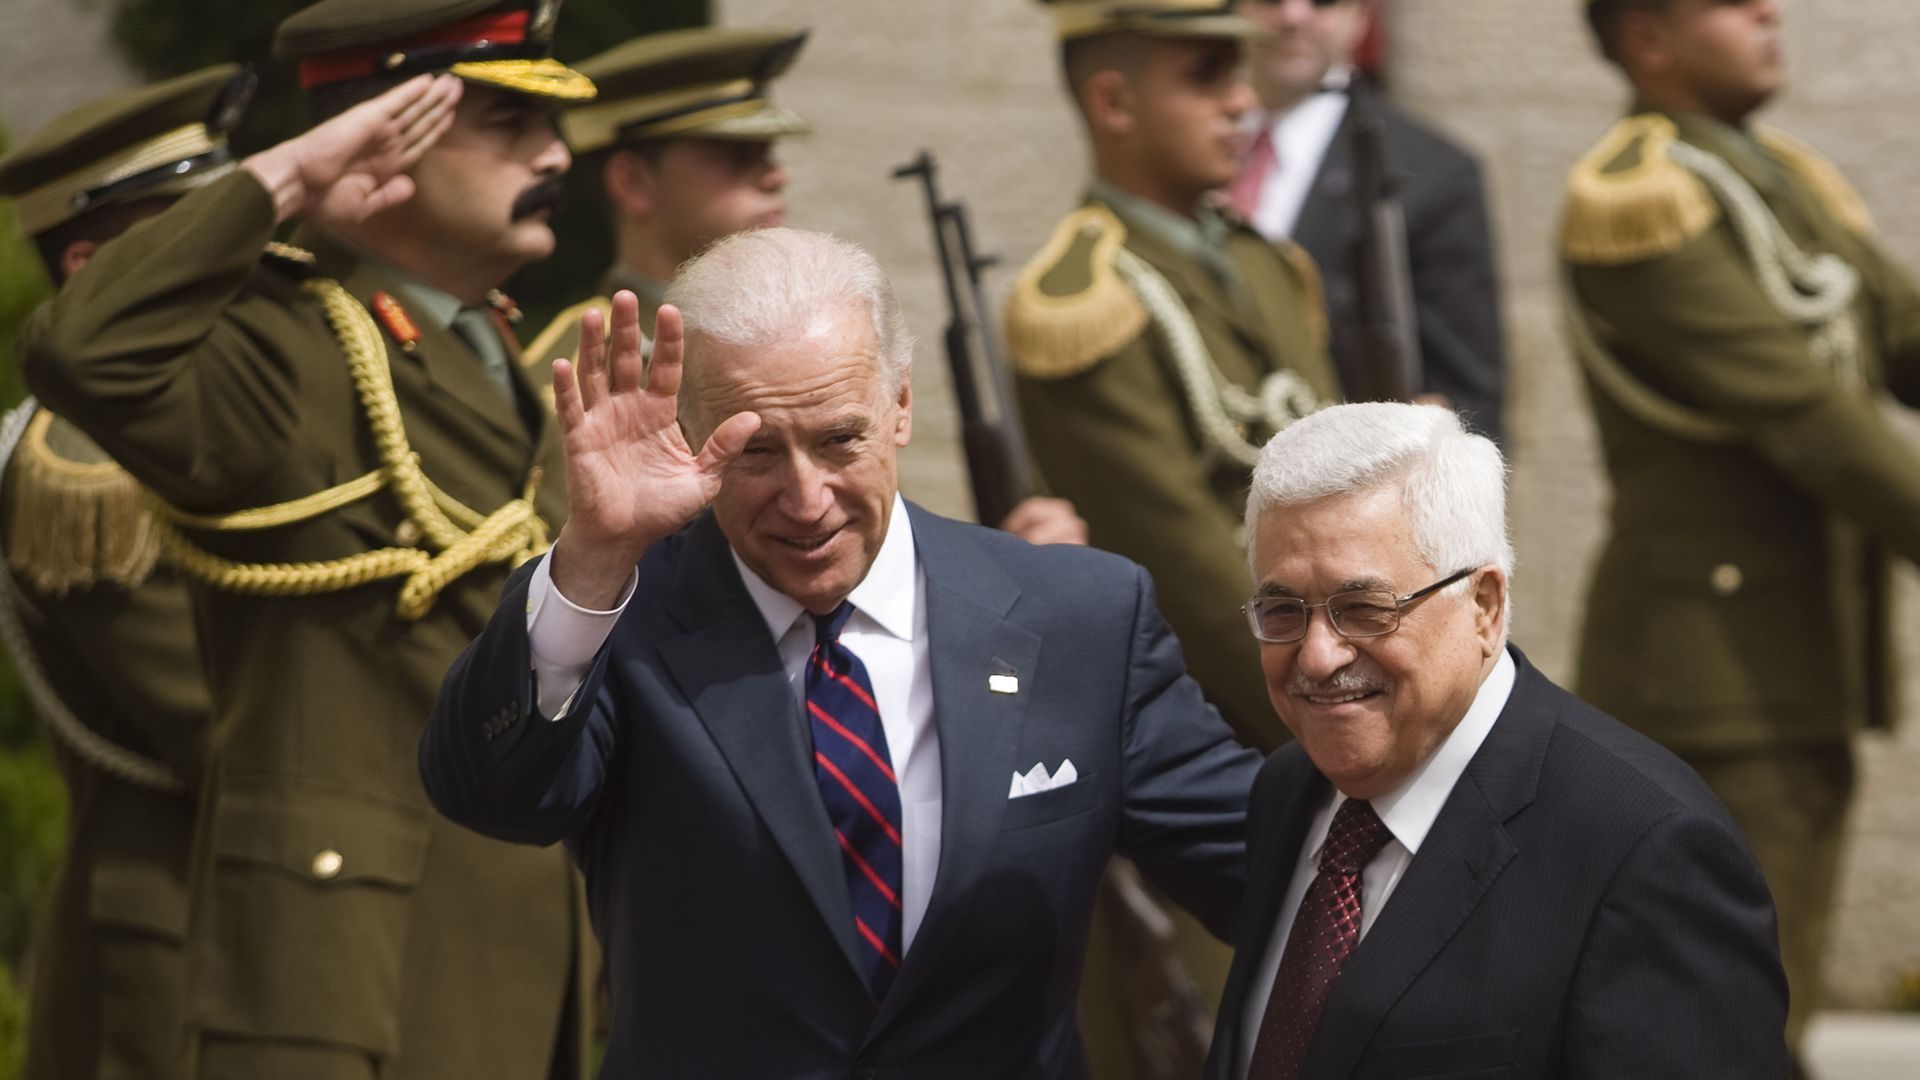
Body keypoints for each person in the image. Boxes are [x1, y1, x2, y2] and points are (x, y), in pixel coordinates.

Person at [418, 227, 1262, 1078]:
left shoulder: (1079, 619)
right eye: (755, 450)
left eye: (837, 440)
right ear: (690, 429)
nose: (806, 498)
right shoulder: (621, 619)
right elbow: (492, 797)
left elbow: (1267, 872)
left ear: (900, 404)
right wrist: (597, 554)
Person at [21, 1, 601, 1076]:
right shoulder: (289, 346)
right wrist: (285, 179)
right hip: (354, 981)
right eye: (508, 125)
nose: (556, 154)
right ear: (391, 132)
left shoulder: (490, 353)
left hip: (518, 946)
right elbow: (84, 356)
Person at [1204, 401, 1788, 1080]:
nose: (1316, 656)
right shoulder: (1290, 792)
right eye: (1282, 611)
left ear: (1484, 605)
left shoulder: (1646, 851)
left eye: (1363, 610)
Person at [1564, 2, 1920, 1067]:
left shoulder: (1781, 179)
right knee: (1718, 1011)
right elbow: (1807, 411)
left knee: (1768, 992)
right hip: (1711, 667)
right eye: (1731, 2)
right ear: (1648, 39)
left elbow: (1900, 332)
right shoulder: (1637, 201)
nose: (1769, 15)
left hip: (1794, 649)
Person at [531, 25, 1085, 547]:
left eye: (770, 153)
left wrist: (995, 562)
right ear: (632, 182)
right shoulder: (580, 377)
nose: (776, 174)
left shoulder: (817, 336)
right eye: (736, 157)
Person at [0, 63, 247, 1080]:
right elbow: (215, 727)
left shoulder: (224, 426)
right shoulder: (82, 466)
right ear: (94, 265)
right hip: (174, 947)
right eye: (198, 240)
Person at [1230, 0, 1505, 442]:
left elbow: (1470, 403)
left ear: (1360, 16)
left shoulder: (1431, 171)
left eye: (1322, 2)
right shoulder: (1185, 143)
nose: (1294, 16)